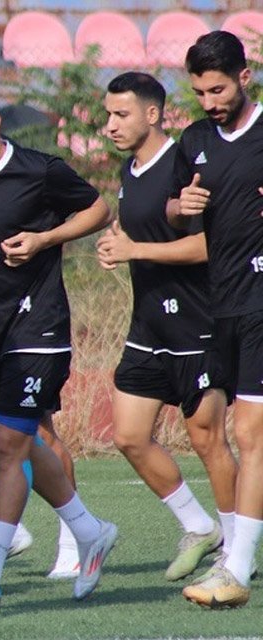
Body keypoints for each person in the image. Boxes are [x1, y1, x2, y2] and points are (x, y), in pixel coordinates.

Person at [0, 81, 117, 606]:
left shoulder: (39, 170)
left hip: (37, 326)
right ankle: (88, 530)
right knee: (17, 439)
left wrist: (44, 239)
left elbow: (99, 210)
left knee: (9, 443)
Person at [97, 71, 237, 582]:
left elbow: (206, 246)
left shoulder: (184, 163)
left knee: (207, 439)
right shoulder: (129, 169)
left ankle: (236, 551)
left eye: (122, 114)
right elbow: (138, 233)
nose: (111, 125)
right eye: (108, 115)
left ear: (153, 114)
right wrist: (116, 246)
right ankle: (199, 527)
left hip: (198, 326)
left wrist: (135, 248)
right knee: (130, 436)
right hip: (148, 327)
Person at [173, 31, 263, 609]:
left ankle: (237, 568)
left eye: (219, 90)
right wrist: (179, 207)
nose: (209, 102)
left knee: (251, 435)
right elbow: (175, 213)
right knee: (208, 426)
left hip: (260, 302)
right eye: (200, 92)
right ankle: (234, 549)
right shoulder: (196, 140)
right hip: (217, 305)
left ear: (244, 77)